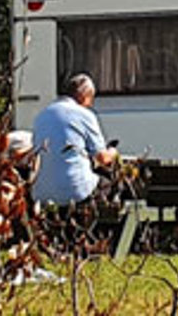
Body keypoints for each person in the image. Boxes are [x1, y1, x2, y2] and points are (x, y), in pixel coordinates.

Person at [30, 73, 119, 246]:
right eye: (91, 98)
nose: (91, 104)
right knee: (112, 183)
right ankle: (102, 237)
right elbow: (103, 158)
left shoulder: (42, 115)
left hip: (41, 192)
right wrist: (113, 152)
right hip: (75, 192)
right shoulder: (84, 115)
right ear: (84, 96)